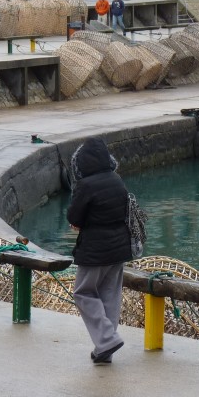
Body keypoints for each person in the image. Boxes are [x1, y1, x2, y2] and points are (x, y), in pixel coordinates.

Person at [67, 137, 132, 365]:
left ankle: (106, 339)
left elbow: (74, 217)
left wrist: (79, 223)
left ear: (81, 163)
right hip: (119, 249)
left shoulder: (86, 185)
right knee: (110, 295)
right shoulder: (117, 180)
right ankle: (106, 348)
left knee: (83, 293)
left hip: (95, 250)